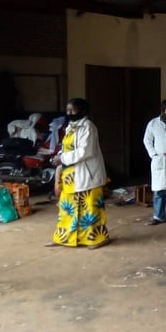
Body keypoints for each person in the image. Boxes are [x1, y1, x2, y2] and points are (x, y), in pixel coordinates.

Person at [47, 98, 110, 249]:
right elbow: (67, 147)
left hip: (86, 175)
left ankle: (97, 239)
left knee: (90, 209)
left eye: (72, 110)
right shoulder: (71, 127)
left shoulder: (88, 127)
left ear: (82, 111)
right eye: (67, 110)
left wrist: (62, 158)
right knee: (67, 208)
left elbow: (85, 151)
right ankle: (64, 238)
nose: (69, 113)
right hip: (70, 177)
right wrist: (59, 156)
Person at [143, 99, 166, 225]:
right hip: (159, 159)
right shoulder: (153, 123)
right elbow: (147, 140)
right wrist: (154, 155)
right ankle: (158, 216)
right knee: (159, 191)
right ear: (163, 111)